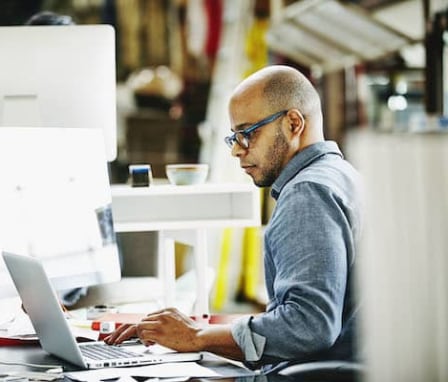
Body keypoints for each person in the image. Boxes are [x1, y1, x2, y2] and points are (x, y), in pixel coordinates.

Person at [105, 65, 363, 372]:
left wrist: (196, 336)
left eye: (248, 134)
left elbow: (309, 326)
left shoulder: (307, 193)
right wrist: (201, 334)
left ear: (293, 123)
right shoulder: (341, 176)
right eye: (234, 138)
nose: (237, 151)